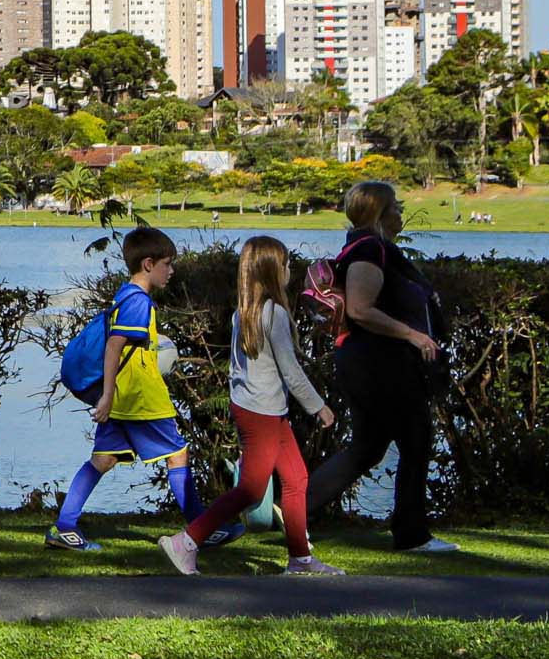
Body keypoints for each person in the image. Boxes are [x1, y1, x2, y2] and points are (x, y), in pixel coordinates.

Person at [160, 237, 344, 577]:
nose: (291, 270)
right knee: (252, 488)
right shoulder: (272, 314)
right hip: (263, 412)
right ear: (274, 272)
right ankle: (187, 541)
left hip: (260, 408)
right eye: (287, 265)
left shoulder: (243, 313)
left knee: (296, 478)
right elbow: (290, 369)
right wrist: (319, 406)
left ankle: (300, 559)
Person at [301, 180, 458, 555]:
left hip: (372, 362)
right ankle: (412, 533)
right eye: (397, 209)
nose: (402, 214)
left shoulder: (369, 247)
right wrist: (412, 335)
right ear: (380, 214)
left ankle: (294, 508)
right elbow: (359, 308)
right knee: (416, 439)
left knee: (368, 447)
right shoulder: (370, 250)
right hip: (379, 363)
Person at [44, 227, 196, 554]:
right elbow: (114, 347)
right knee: (177, 454)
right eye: (167, 264)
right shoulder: (138, 302)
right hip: (139, 398)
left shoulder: (124, 295)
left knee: (104, 458)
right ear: (148, 264)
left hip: (124, 398)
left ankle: (64, 526)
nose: (171, 271)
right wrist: (108, 395)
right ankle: (200, 530)